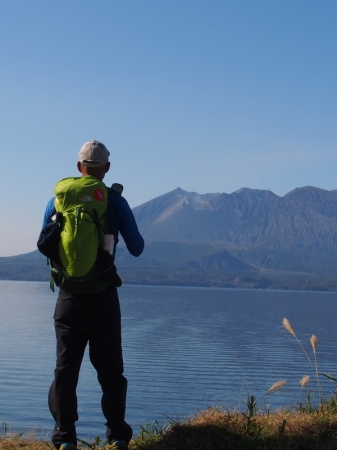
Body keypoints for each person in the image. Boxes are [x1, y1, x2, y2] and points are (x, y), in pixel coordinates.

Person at [41, 141, 144, 450]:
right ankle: (116, 438)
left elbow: (44, 243)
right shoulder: (115, 202)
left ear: (79, 167)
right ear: (107, 169)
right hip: (103, 298)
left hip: (69, 299)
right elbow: (137, 248)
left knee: (65, 370)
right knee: (111, 371)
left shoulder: (58, 201)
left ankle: (64, 438)